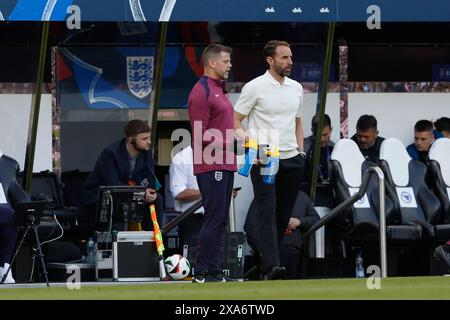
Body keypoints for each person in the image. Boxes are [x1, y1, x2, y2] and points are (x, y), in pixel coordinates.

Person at [234, 40, 305, 280]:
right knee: (267, 209)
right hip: (265, 157)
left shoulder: (296, 87)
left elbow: (297, 121)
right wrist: (252, 144)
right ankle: (273, 266)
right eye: (284, 57)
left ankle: (268, 264)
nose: (290, 62)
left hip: (293, 158)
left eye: (291, 57)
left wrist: (301, 151)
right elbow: (235, 120)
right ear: (270, 60)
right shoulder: (254, 87)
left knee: (282, 215)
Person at [188, 44, 237, 283]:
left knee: (220, 220)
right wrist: (230, 141)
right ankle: (201, 271)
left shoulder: (220, 90)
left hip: (225, 163)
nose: (230, 65)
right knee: (214, 218)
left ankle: (214, 271)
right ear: (211, 63)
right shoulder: (201, 91)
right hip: (211, 164)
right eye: (226, 61)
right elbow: (198, 134)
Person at [79, 119, 163, 230]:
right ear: (131, 140)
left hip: (129, 192)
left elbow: (149, 178)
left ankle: (153, 239)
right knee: (118, 200)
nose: (149, 142)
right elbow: (113, 185)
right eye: (144, 139)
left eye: (149, 138)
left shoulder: (147, 153)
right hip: (103, 196)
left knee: (157, 199)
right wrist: (141, 193)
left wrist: (150, 193)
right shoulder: (110, 154)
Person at [0, 150, 28, 284]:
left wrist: (31, 207)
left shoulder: (8, 165)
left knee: (12, 217)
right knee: (10, 215)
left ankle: (4, 266)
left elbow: (20, 196)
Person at [280, 190, 320, 279]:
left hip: (293, 252)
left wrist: (299, 221)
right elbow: (252, 224)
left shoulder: (302, 197)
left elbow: (316, 219)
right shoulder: (269, 194)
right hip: (273, 252)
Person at [169, 145, 204, 246]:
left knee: (219, 258)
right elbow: (179, 193)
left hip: (217, 218)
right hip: (192, 219)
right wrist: (209, 193)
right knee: (193, 259)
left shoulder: (220, 156)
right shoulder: (182, 158)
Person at [303, 113, 335, 185]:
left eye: (325, 135)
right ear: (312, 130)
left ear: (331, 130)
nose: (322, 139)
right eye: (318, 135)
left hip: (329, 192)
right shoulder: (303, 147)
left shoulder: (335, 148)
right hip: (307, 192)